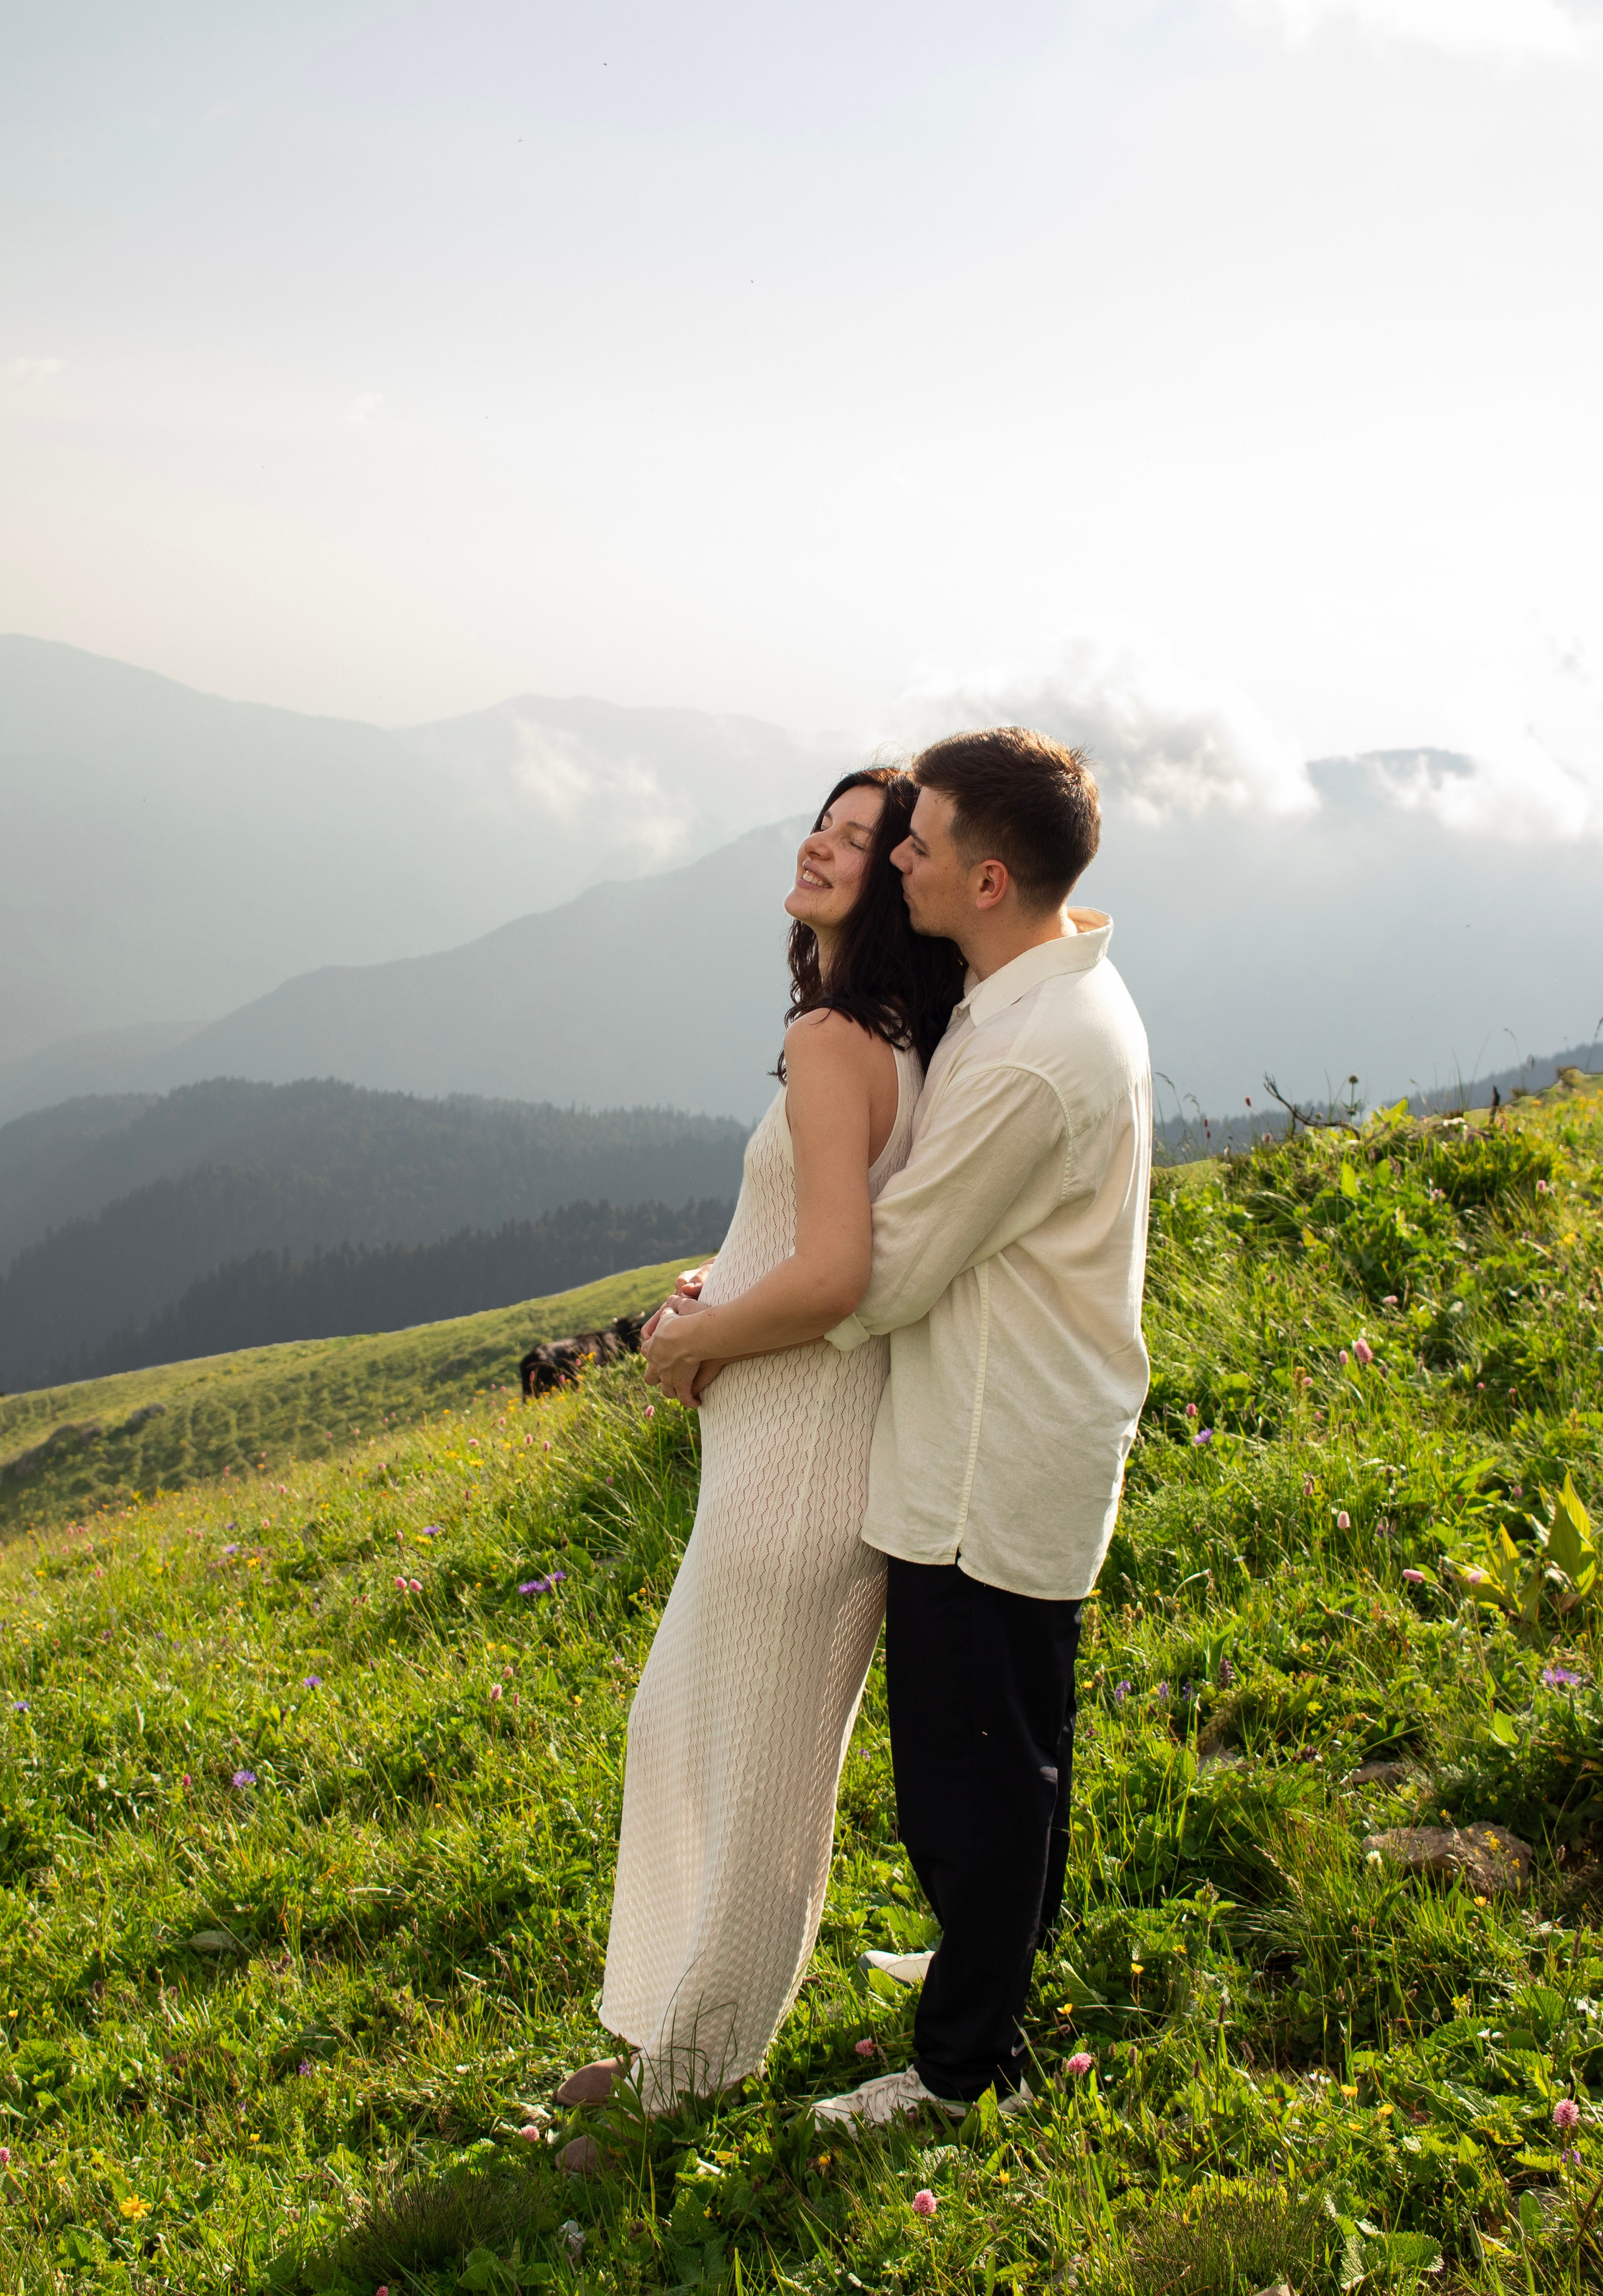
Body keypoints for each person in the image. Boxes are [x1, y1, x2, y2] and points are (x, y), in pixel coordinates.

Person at [646, 727, 1152, 2129]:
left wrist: (708, 1328)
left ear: (985, 879)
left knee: (967, 1773)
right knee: (1011, 1744)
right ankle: (988, 1968)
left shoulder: (1033, 1051)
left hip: (991, 1450)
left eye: (915, 842)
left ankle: (958, 2073)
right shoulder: (1023, 995)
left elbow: (882, 1269)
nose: (896, 860)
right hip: (1005, 1429)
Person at [552, 765, 962, 2154]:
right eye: (822, 823)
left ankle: (687, 2080)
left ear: (895, 882)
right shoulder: (883, 1033)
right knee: (685, 1736)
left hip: (801, 1461)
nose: (821, 846)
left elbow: (839, 1271)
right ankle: (661, 2031)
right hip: (784, 1450)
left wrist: (693, 1339)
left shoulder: (836, 1037)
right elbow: (822, 1232)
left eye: (858, 840)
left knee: (760, 1790)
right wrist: (716, 1287)